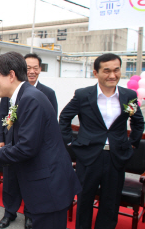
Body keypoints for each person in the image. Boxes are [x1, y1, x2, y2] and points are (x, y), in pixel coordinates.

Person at [0, 52, 81, 229]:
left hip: (49, 186)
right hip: (43, 182)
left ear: (11, 75)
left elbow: (27, 147)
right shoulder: (23, 97)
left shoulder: (30, 99)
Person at [59, 53, 144, 229]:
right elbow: (64, 118)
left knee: (110, 202)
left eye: (116, 70)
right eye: (107, 71)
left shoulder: (128, 95)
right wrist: (70, 144)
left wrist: (132, 144)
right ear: (96, 73)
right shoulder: (83, 95)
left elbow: (138, 122)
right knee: (84, 200)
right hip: (88, 157)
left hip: (116, 157)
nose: (112, 75)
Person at [0, 53, 58, 229]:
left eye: (35, 68)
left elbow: (51, 123)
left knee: (30, 181)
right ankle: (9, 212)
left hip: (31, 148)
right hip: (11, 144)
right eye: (28, 67)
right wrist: (0, 140)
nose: (31, 71)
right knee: (10, 181)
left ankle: (30, 214)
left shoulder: (46, 93)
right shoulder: (9, 91)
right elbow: (2, 115)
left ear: (40, 69)